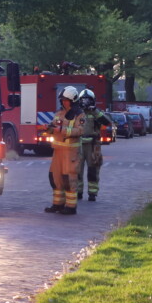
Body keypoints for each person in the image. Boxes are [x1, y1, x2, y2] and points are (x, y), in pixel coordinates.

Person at [45, 86, 85, 215]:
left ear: (72, 100)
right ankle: (57, 204)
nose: (63, 102)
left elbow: (80, 131)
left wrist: (61, 130)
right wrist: (49, 128)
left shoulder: (79, 114)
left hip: (70, 152)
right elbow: (54, 126)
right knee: (55, 178)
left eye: (66, 100)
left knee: (69, 179)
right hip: (58, 151)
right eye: (62, 100)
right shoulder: (59, 113)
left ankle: (70, 207)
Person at [76, 88, 112, 202]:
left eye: (88, 100)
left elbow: (107, 122)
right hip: (79, 145)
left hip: (92, 146)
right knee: (77, 170)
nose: (85, 102)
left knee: (93, 170)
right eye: (83, 100)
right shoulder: (77, 112)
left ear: (92, 101)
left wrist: (95, 110)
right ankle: (78, 192)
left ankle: (92, 193)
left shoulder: (96, 112)